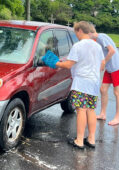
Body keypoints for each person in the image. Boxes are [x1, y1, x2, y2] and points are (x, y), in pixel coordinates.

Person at [42, 21, 104, 149]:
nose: (76, 35)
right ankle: (91, 139)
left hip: (81, 82)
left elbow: (69, 64)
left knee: (81, 110)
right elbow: (102, 65)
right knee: (91, 110)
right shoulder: (97, 46)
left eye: (76, 32)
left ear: (80, 30)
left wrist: (56, 62)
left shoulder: (78, 46)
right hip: (94, 82)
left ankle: (79, 140)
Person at [89, 25, 119, 126]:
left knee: (117, 92)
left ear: (90, 33)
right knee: (103, 89)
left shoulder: (101, 37)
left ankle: (117, 118)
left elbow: (112, 51)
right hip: (110, 68)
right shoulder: (97, 40)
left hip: (117, 67)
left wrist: (104, 62)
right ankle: (102, 114)